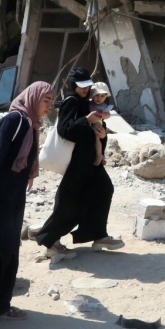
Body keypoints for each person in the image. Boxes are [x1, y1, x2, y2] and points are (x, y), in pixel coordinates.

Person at [0, 81, 52, 320]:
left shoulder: (30, 125)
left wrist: (28, 175)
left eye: (52, 101)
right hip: (0, 199)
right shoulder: (14, 121)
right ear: (33, 98)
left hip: (13, 198)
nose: (49, 106)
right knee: (3, 252)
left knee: (9, 251)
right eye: (46, 100)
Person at [31, 67, 124, 257]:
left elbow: (95, 131)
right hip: (77, 162)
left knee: (103, 190)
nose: (84, 90)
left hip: (90, 161)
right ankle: (50, 240)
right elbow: (65, 130)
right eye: (80, 87)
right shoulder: (71, 102)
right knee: (69, 201)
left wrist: (103, 134)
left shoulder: (86, 103)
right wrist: (86, 120)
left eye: (86, 87)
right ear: (73, 85)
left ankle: (98, 235)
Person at [89, 82, 114, 167]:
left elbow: (108, 115)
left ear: (106, 96)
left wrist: (102, 116)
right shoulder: (89, 104)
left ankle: (99, 156)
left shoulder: (103, 106)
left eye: (102, 96)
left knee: (97, 139)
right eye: (96, 95)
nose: (99, 98)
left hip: (97, 124)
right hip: (88, 124)